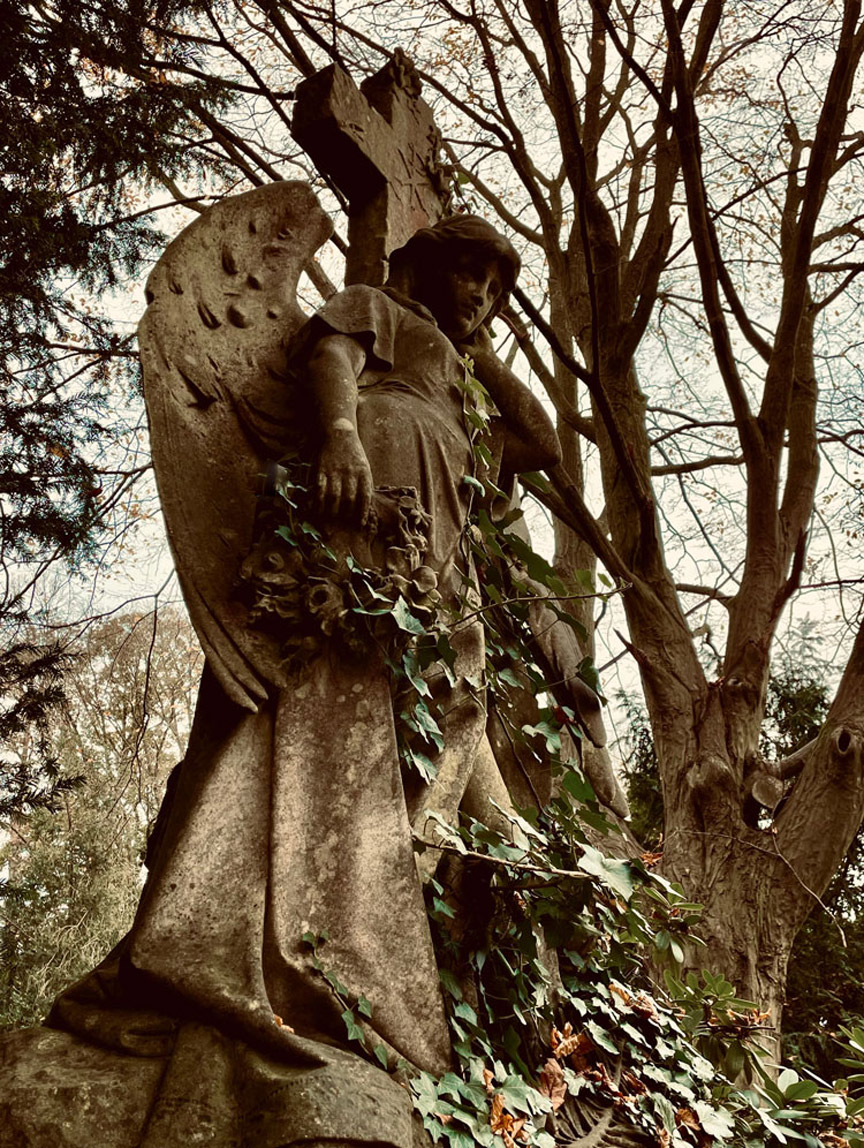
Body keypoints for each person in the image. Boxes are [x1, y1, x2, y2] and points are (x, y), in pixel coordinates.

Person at [47, 214, 561, 1147]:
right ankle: (259, 935)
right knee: (328, 698)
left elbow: (544, 441)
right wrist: (343, 436)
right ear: (422, 267)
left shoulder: (457, 372)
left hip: (432, 552)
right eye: (467, 276)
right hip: (366, 498)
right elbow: (330, 354)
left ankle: (351, 931)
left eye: (494, 289)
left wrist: (473, 352)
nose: (481, 297)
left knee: (406, 738)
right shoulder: (378, 310)